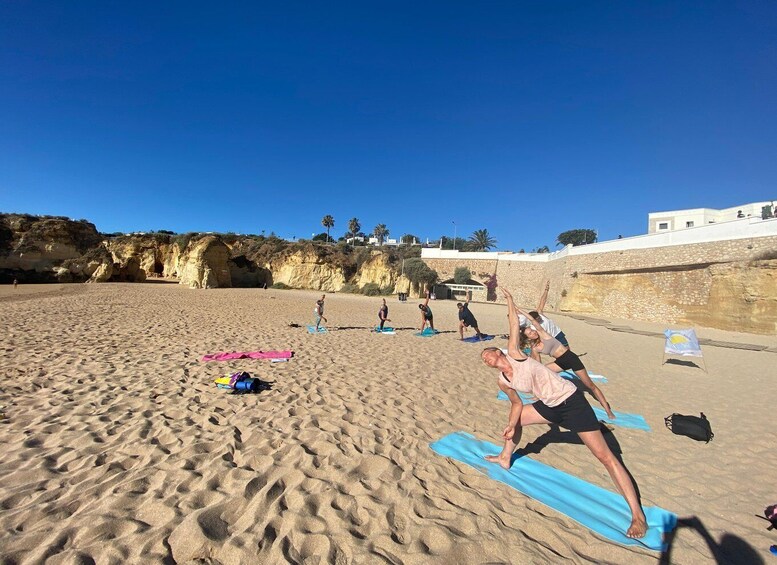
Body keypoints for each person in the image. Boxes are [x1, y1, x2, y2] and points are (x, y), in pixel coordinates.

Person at [481, 287, 647, 539]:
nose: (486, 359)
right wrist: (512, 426)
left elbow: (514, 324)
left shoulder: (515, 354)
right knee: (518, 419)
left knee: (606, 457)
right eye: (483, 359)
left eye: (487, 354)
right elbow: (515, 405)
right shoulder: (502, 380)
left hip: (571, 402)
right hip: (549, 406)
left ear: (498, 351)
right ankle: (505, 457)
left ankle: (637, 515)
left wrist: (510, 301)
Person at [516, 303, 615, 420]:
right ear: (528, 338)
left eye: (532, 330)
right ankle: (540, 396)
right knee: (542, 372)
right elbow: (538, 365)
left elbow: (532, 320)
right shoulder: (535, 348)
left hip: (571, 358)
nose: (533, 332)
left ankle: (608, 410)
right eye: (530, 333)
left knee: (590, 386)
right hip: (560, 362)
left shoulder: (543, 334)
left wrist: (518, 310)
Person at [519, 280, 569, 346]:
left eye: (539, 317)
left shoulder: (539, 313)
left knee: (567, 348)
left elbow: (543, 300)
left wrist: (546, 290)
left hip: (557, 333)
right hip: (550, 338)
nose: (540, 318)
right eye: (538, 318)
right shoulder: (533, 328)